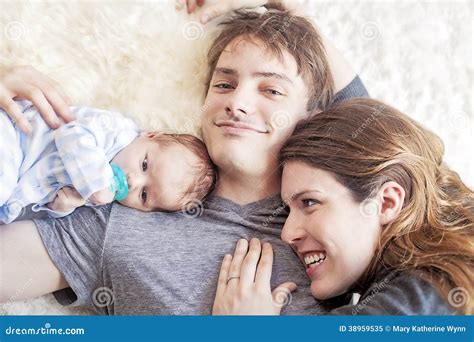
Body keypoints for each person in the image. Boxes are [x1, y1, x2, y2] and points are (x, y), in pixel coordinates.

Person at [0, 2, 368, 314]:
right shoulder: (120, 204)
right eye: (223, 84)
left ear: (315, 119)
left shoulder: (334, 217)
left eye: (271, 90)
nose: (236, 103)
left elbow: (387, 134)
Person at [212, 98, 474, 315]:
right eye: (288, 209)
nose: (287, 233)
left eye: (310, 202)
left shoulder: (421, 296)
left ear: (386, 202)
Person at [0, 100, 216, 224]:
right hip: (14, 130)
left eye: (143, 195)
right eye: (144, 165)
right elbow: (71, 133)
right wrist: (95, 185)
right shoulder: (115, 130)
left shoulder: (101, 198)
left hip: (17, 175)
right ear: (150, 135)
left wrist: (58, 208)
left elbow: (32, 198)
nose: (133, 182)